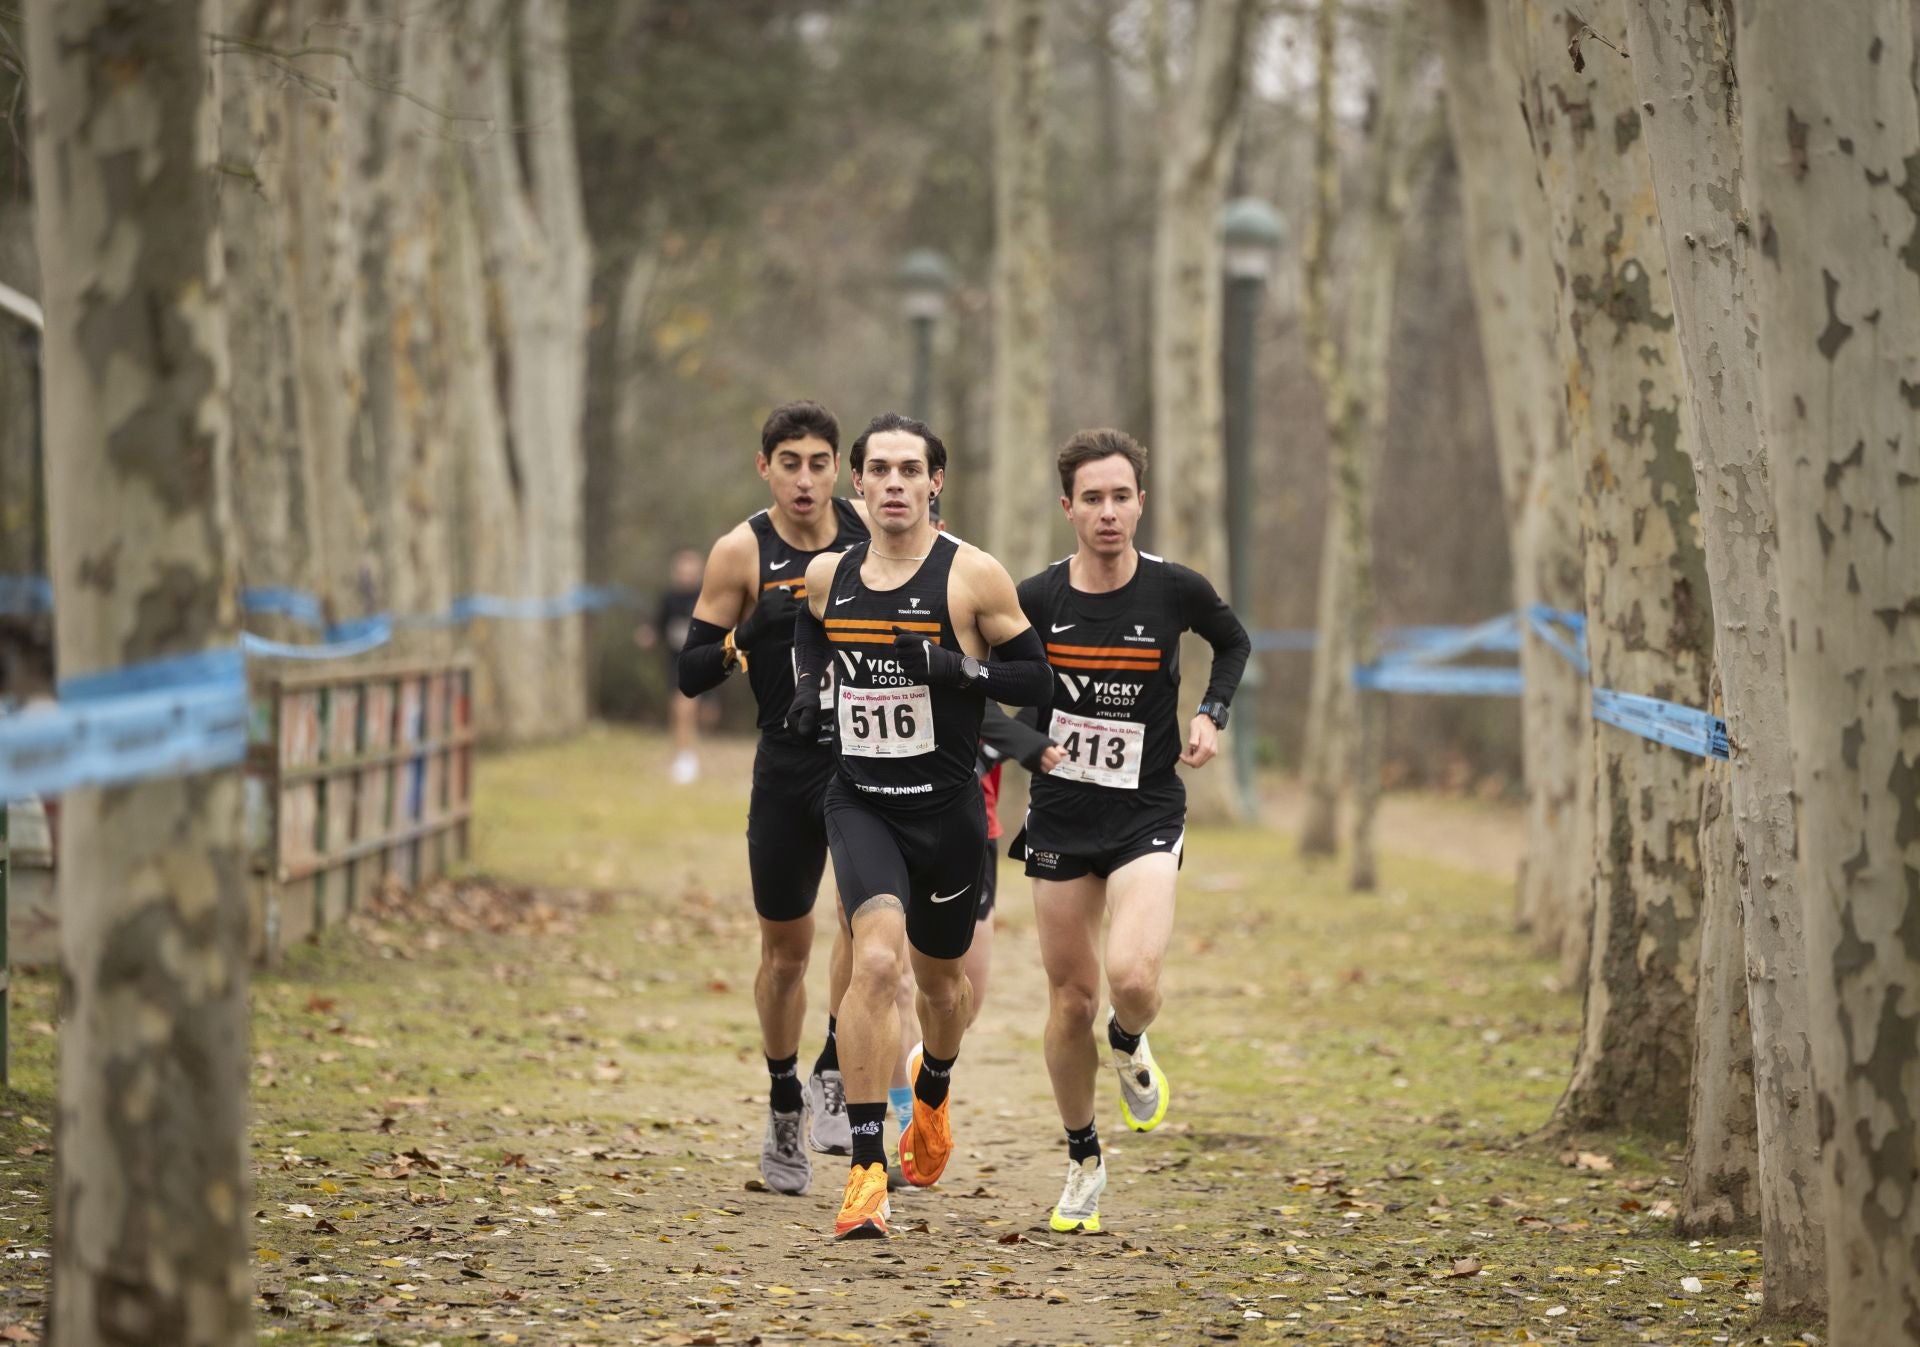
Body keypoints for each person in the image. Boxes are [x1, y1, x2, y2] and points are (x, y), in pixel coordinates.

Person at [785, 411, 1054, 1240]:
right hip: (861, 800)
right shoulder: (831, 575)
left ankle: (933, 1085)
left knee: (942, 987)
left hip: (946, 815)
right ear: (856, 485)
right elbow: (809, 626)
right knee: (873, 963)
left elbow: (1035, 677)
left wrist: (955, 668)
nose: (895, 484)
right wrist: (808, 687)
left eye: (912, 470)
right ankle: (868, 1169)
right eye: (880, 471)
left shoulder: (973, 577)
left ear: (937, 482)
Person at [1010, 428, 1251, 1235]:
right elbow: (983, 686)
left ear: (1140, 501)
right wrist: (1026, 742)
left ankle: (1132, 1038)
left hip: (1147, 809)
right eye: (1092, 498)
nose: (1108, 512)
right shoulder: (1037, 598)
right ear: (1067, 507)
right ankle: (1083, 1159)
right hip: (1061, 817)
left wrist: (1212, 714)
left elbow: (1233, 640)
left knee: (1133, 979)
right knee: (1069, 1001)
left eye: (1121, 496)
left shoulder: (1174, 588)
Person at [675, 400, 869, 1198]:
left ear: (837, 469)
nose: (805, 478)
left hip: (866, 761)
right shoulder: (739, 550)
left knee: (869, 925)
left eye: (819, 462)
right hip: (786, 765)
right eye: (789, 462)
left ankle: (833, 1066)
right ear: (766, 468)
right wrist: (747, 634)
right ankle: (785, 1094)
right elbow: (688, 671)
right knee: (786, 952)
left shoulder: (872, 533)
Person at [635, 548, 709, 783]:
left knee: (707, 714)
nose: (686, 573)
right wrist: (648, 636)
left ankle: (694, 748)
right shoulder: (668, 598)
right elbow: (657, 626)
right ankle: (684, 756)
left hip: (706, 660)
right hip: (678, 662)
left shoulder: (707, 596)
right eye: (682, 569)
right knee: (682, 708)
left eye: (691, 568)